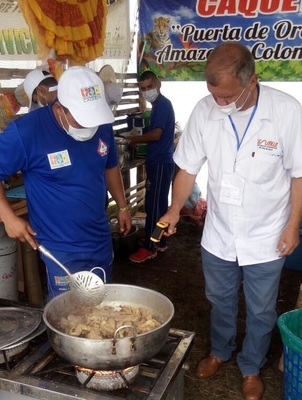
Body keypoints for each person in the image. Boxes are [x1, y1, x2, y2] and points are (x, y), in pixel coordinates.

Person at [158, 42, 302, 400]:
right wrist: (175, 208)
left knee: (261, 308)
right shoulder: (204, 110)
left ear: (252, 79)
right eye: (213, 96)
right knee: (219, 299)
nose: (219, 104)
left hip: (267, 233)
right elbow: (188, 167)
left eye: (226, 97)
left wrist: (291, 226)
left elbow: (299, 175)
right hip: (220, 233)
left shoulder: (286, 112)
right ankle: (221, 351)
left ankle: (251, 365)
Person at [0, 65, 131, 299]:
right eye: (83, 120)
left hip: (99, 239)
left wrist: (122, 206)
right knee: (68, 319)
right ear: (60, 108)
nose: (91, 126)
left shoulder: (101, 125)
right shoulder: (26, 131)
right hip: (59, 249)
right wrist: (8, 217)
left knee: (101, 308)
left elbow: (110, 165)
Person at [127, 70, 175, 263]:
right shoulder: (156, 106)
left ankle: (149, 246)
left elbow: (156, 135)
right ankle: (159, 240)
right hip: (159, 161)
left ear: (158, 85)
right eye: (143, 88)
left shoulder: (162, 105)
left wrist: (134, 139)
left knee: (153, 205)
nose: (147, 91)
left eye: (149, 87)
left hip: (161, 162)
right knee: (160, 204)